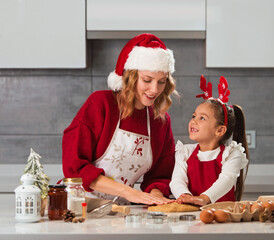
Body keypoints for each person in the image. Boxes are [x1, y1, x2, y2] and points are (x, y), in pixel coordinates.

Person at [62, 33, 178, 205]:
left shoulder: (159, 120)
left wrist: (156, 196)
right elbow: (75, 168)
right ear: (130, 77)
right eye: (147, 80)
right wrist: (129, 192)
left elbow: (161, 175)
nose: (154, 89)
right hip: (78, 207)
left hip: (119, 212)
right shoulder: (101, 104)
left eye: (161, 82)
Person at [169, 75, 249, 206]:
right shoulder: (185, 152)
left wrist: (203, 198)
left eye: (202, 118)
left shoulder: (231, 154)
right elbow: (177, 180)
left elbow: (227, 179)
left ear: (220, 130)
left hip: (224, 217)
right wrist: (186, 197)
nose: (193, 121)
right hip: (192, 216)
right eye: (194, 116)